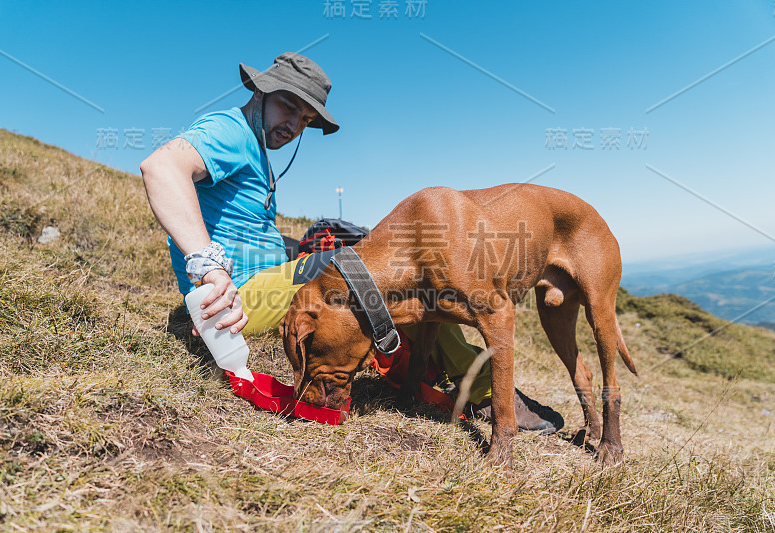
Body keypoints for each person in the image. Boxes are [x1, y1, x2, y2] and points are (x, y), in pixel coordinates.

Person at [140, 52, 563, 433]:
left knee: (365, 268)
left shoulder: (255, 147)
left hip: (264, 280)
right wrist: (209, 267)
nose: (294, 125)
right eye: (289, 106)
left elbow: (244, 229)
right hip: (240, 297)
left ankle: (439, 368)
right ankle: (487, 390)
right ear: (262, 91)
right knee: (376, 279)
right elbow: (161, 167)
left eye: (306, 119)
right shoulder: (229, 131)